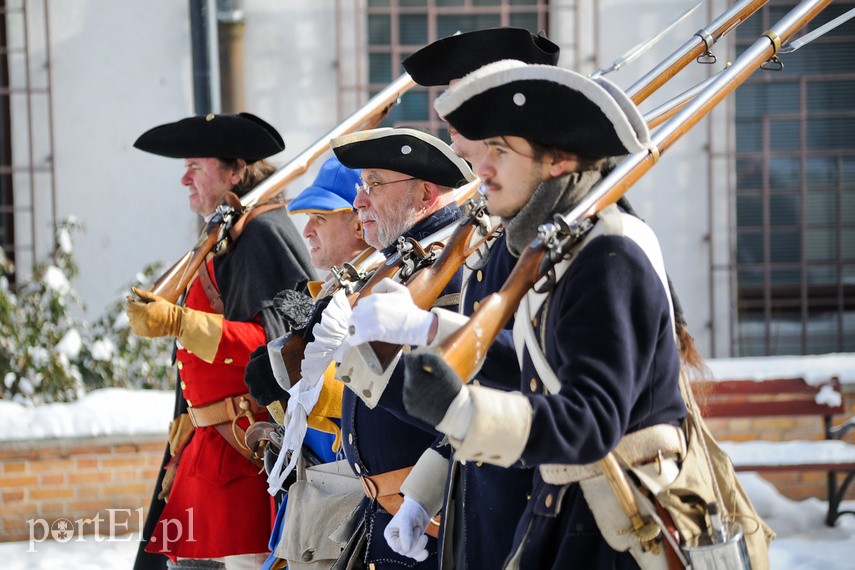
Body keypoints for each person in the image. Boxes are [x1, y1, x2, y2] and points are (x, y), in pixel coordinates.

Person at [399, 61, 687, 569]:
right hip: (563, 517)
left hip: (616, 531)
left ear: (558, 161)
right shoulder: (564, 250)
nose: (482, 169)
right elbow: (531, 374)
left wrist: (467, 413)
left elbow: (593, 420)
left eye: (501, 152)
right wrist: (422, 328)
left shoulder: (607, 256)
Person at [348, 27, 561, 569]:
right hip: (482, 512)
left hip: (544, 520)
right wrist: (425, 493)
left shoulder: (577, 230)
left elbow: (556, 380)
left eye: (466, 105)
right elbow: (477, 391)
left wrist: (427, 333)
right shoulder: (496, 234)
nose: (452, 132)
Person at [128, 112, 315, 570]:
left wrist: (180, 322)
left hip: (242, 462)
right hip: (206, 455)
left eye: (196, 165)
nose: (184, 177)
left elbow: (280, 347)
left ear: (235, 171)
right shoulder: (228, 235)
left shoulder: (263, 233)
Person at [287, 127, 476, 569]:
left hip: (431, 522)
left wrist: (352, 357)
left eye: (374, 185)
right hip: (381, 515)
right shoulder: (404, 263)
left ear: (425, 193)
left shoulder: (453, 273)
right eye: (362, 186)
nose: (359, 203)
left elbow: (448, 405)